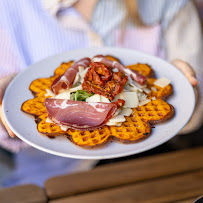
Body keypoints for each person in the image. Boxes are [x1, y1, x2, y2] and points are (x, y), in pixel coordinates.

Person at [0, 0, 202, 187]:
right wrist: (5, 104)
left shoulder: (170, 4)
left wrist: (189, 90)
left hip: (154, 171)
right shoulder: (11, 8)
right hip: (54, 180)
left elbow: (193, 114)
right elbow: (11, 133)